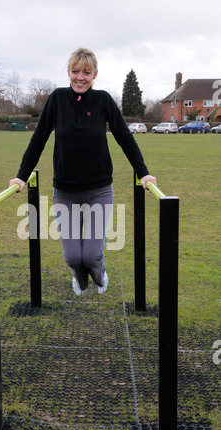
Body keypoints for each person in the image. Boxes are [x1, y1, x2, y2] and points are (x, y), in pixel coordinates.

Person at [9, 47, 157, 296]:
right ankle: (80, 277)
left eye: (86, 72)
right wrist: (21, 176)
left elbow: (125, 137)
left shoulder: (103, 101)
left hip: (98, 190)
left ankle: (99, 273)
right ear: (68, 72)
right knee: (72, 256)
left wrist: (143, 173)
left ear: (95, 74)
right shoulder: (57, 99)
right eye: (75, 71)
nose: (80, 77)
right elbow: (39, 139)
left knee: (89, 255)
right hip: (65, 192)